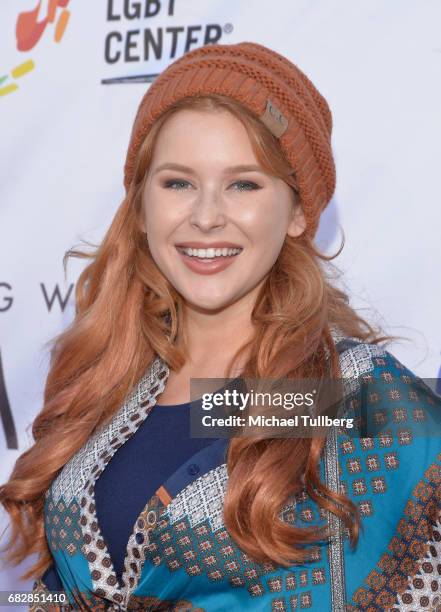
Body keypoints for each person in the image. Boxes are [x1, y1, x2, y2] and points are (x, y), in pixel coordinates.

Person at [0, 41, 440, 612]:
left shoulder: (335, 395)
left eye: (244, 184)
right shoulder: (109, 385)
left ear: (300, 212)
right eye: (178, 182)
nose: (206, 216)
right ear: (141, 205)